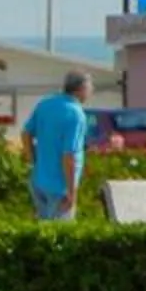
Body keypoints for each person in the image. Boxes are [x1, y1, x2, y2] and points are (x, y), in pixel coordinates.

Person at [24, 69, 91, 222]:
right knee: (60, 236)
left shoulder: (46, 104)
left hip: (39, 179)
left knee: (43, 231)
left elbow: (26, 133)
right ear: (81, 89)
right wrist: (71, 191)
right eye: (89, 87)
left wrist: (32, 160)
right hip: (60, 185)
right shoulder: (76, 114)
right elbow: (69, 156)